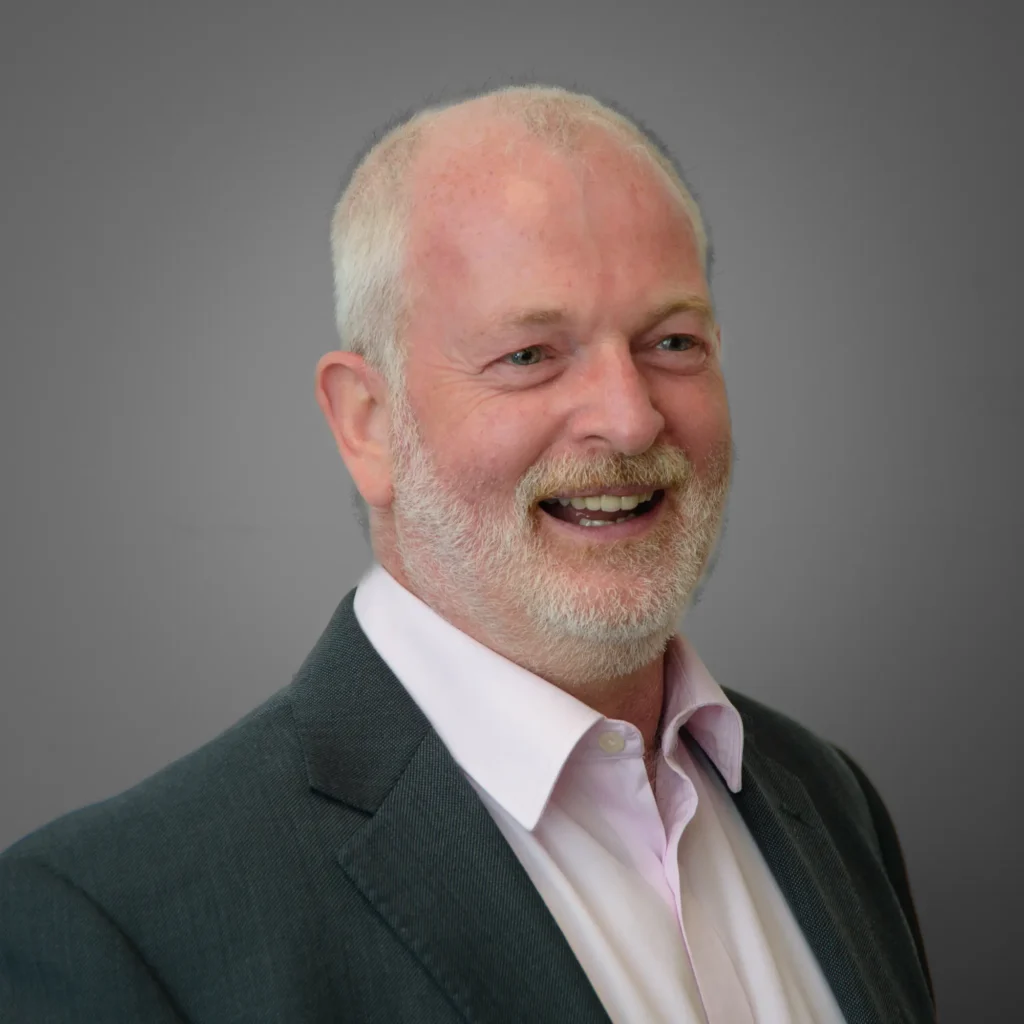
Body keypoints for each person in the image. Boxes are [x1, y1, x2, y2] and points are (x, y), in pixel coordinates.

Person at [0, 86, 936, 1024]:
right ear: (367, 425)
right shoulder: (115, 926)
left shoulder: (829, 800)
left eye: (673, 341)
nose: (630, 415)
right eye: (530, 355)